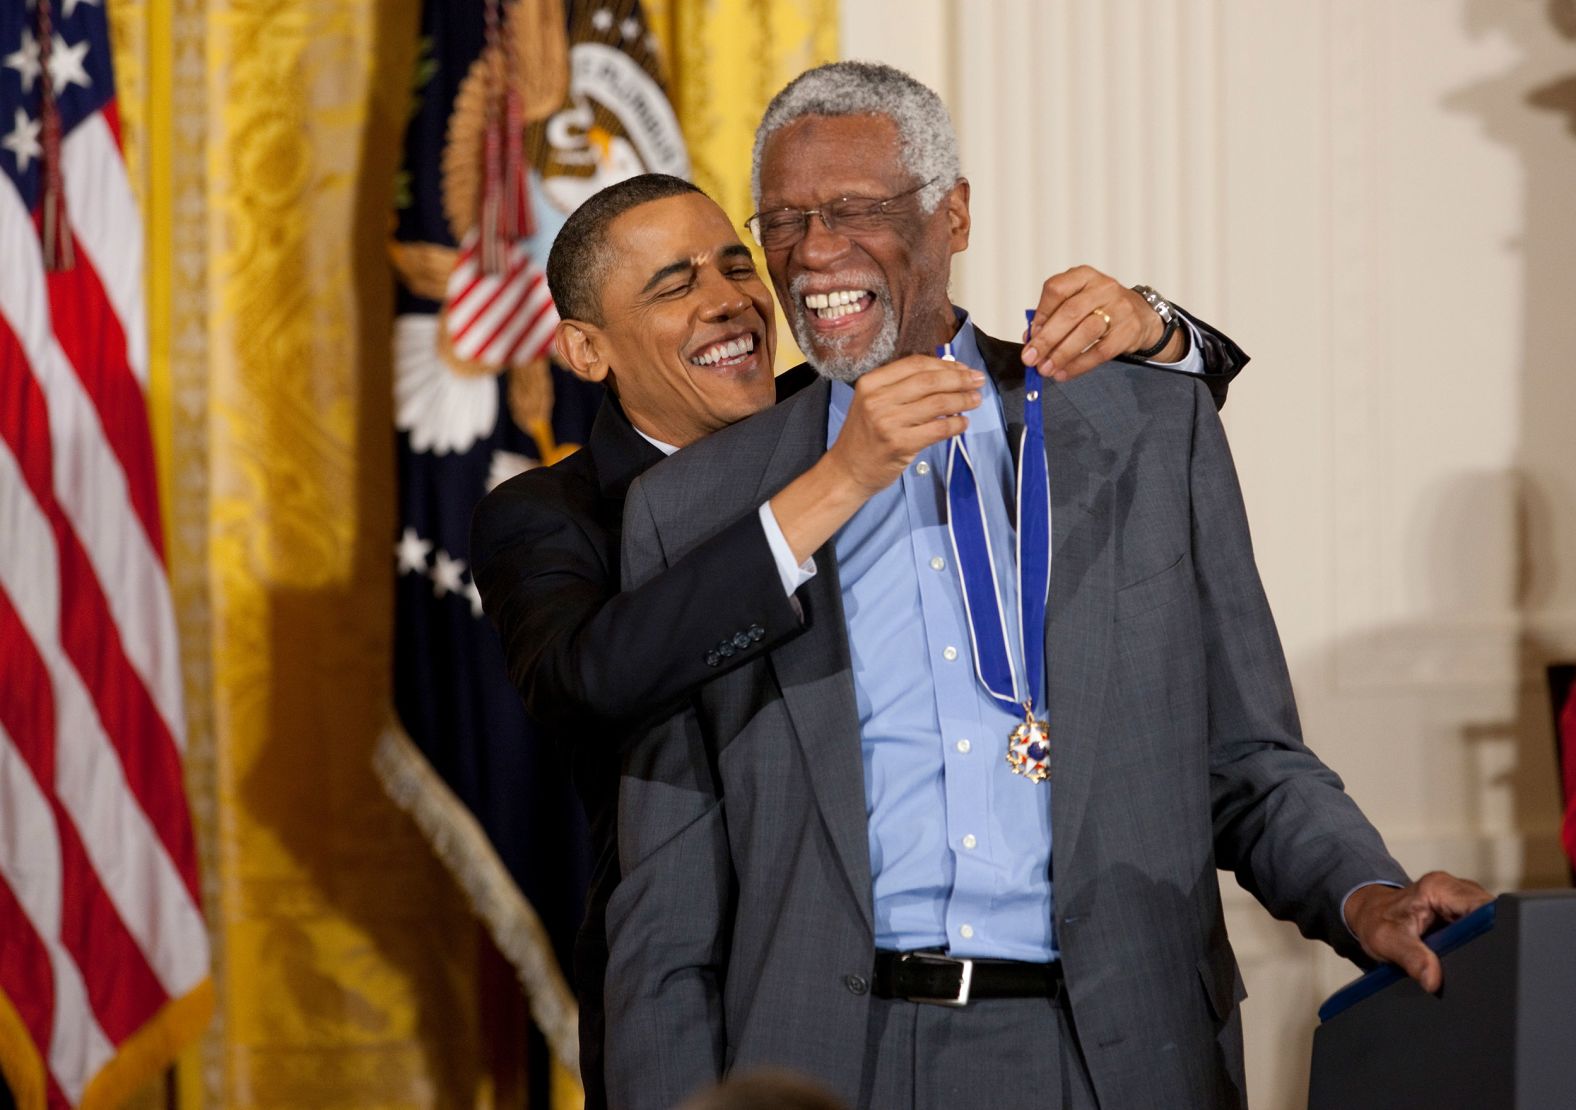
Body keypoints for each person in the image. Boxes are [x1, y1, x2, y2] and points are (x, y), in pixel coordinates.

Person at [601, 62, 1492, 1108]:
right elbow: (666, 899)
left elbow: (1249, 758)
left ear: (954, 214)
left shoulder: (1144, 435)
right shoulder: (707, 508)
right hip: (826, 1061)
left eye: (853, 210)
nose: (813, 252)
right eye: (783, 221)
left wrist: (1366, 894)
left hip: (1112, 1052)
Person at [470, 175, 1250, 1104]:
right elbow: (584, 677)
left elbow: (1081, 392)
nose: (730, 300)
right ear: (587, 350)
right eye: (674, 286)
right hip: (721, 1015)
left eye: (733, 264)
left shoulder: (837, 407)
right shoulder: (554, 514)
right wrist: (837, 483)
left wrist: (1152, 324)